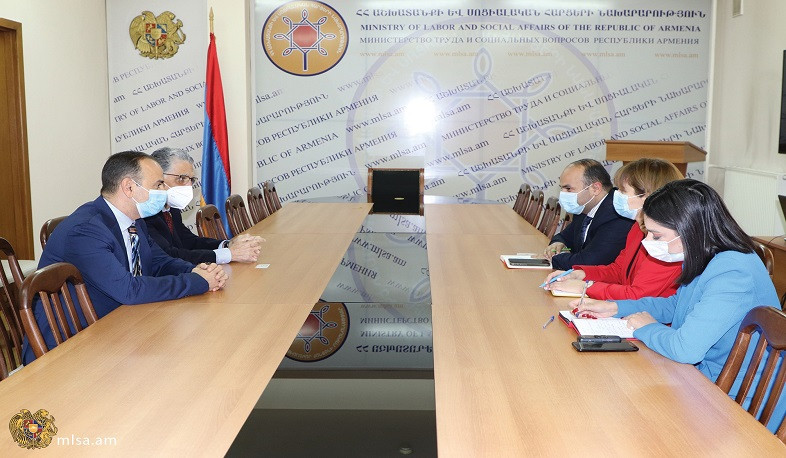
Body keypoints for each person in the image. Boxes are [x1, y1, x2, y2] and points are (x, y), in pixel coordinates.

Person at [572, 179, 784, 432]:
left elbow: (686, 350)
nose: (648, 241)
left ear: (690, 229)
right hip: (705, 379)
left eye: (656, 235)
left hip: (738, 399)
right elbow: (678, 305)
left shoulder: (732, 272)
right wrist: (617, 308)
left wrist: (646, 327)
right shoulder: (705, 254)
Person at [22, 151, 227, 364]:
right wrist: (197, 282)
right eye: (158, 185)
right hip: (68, 345)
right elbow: (129, 290)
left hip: (121, 325)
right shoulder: (85, 230)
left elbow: (159, 261)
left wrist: (197, 270)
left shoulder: (135, 219)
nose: (165, 191)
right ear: (129, 187)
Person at [543, 158, 683, 300]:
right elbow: (617, 270)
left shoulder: (670, 241)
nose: (616, 195)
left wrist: (586, 287)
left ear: (648, 196)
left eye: (623, 191)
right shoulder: (637, 228)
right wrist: (579, 273)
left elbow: (637, 294)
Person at [145, 147, 263, 264]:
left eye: (191, 180)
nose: (188, 185)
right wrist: (229, 254)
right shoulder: (146, 214)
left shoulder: (172, 209)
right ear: (158, 178)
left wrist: (227, 245)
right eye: (181, 178)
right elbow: (170, 255)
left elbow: (190, 242)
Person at [544, 158, 633, 270]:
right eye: (561, 188)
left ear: (595, 188)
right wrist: (557, 244)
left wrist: (553, 258)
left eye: (568, 188)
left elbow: (588, 262)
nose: (563, 194)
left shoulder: (617, 214)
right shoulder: (584, 207)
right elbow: (564, 237)